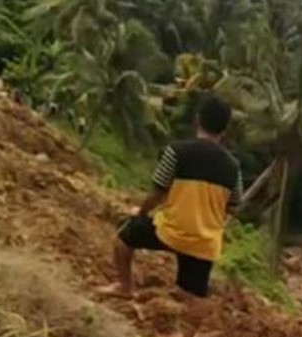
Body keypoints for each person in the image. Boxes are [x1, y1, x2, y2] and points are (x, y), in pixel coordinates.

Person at [101, 95, 242, 298]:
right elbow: (233, 207)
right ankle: (187, 332)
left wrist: (140, 213)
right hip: (204, 243)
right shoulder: (233, 167)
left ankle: (125, 287)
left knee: (123, 240)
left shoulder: (176, 151)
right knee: (196, 296)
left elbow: (157, 193)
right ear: (225, 128)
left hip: (170, 230)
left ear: (197, 119)